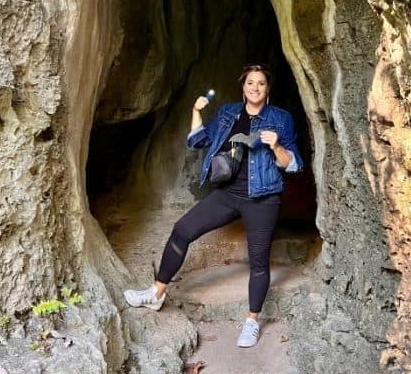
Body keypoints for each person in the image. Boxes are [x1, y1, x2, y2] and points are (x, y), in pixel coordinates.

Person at [123, 63, 303, 347]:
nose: (255, 88)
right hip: (228, 194)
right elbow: (199, 141)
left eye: (261, 83)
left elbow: (294, 164)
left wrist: (276, 146)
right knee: (182, 230)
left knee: (258, 261)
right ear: (243, 87)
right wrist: (196, 112)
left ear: (268, 88)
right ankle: (156, 293)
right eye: (250, 83)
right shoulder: (229, 112)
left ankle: (252, 322)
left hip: (263, 198)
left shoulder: (281, 119)